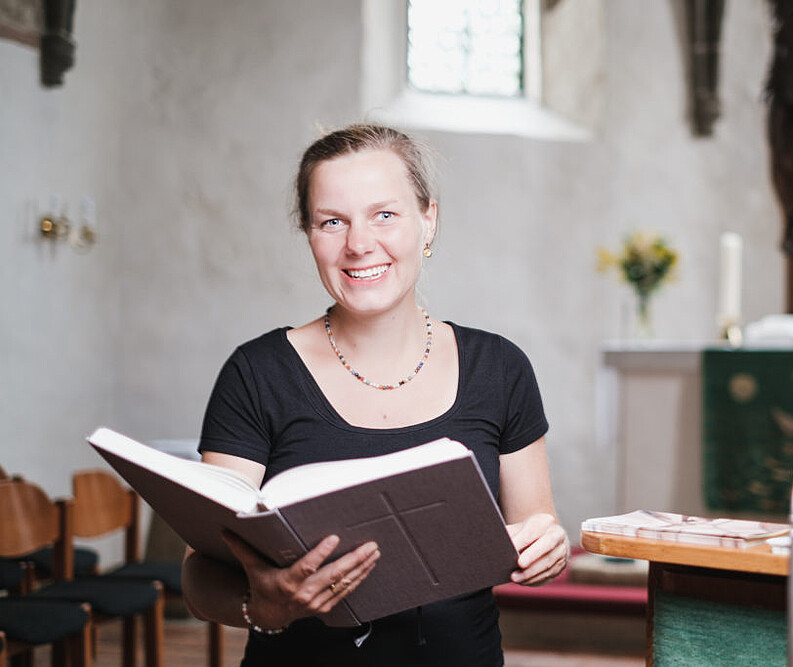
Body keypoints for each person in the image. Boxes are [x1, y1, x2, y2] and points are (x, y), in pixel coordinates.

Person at [182, 123, 570, 665]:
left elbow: (537, 525)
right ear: (309, 235)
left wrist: (545, 548)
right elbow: (201, 574)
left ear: (428, 219)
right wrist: (263, 607)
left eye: (384, 214)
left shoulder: (499, 368)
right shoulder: (257, 374)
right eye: (332, 221)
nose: (359, 244)